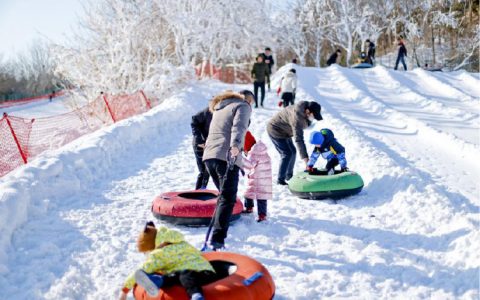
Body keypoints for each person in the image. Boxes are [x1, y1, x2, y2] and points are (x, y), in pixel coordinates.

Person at [203, 90, 254, 250]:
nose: (251, 105)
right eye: (251, 102)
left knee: (224, 198)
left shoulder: (220, 108)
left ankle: (218, 234)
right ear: (248, 100)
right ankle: (217, 241)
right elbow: (238, 127)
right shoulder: (243, 106)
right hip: (227, 156)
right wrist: (235, 147)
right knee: (227, 199)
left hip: (210, 157)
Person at [119, 222, 216, 300]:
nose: (147, 255)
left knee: (185, 274)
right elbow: (197, 254)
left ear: (153, 247)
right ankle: (158, 280)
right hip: (207, 271)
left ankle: (196, 296)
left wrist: (125, 290)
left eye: (147, 252)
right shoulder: (181, 243)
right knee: (174, 276)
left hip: (203, 276)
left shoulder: (158, 255)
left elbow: (142, 270)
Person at [267, 101, 323, 185]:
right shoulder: (297, 118)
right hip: (275, 129)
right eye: (313, 116)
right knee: (287, 154)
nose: (313, 118)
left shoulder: (303, 110)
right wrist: (306, 158)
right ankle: (280, 180)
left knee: (293, 151)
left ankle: (289, 176)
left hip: (285, 131)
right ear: (307, 111)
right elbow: (299, 139)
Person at [242, 131, 272, 222]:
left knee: (248, 193)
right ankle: (262, 214)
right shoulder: (264, 153)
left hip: (255, 179)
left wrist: (241, 159)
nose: (245, 153)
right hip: (264, 180)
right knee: (261, 197)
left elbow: (250, 165)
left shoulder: (253, 155)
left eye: (245, 151)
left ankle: (249, 208)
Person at [191, 106, 213, 189]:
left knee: (209, 169)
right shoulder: (208, 111)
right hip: (200, 144)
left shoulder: (226, 112)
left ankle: (202, 189)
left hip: (211, 143)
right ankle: (199, 192)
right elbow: (194, 120)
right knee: (203, 170)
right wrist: (199, 140)